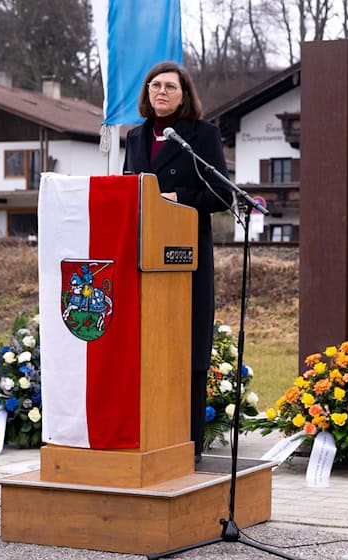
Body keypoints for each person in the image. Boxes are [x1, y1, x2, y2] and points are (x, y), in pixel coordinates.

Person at [123, 61, 233, 464]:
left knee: (187, 352)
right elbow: (127, 192)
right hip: (143, 261)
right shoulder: (135, 137)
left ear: (184, 94)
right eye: (155, 85)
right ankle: (148, 438)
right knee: (145, 351)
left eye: (170, 86)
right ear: (147, 93)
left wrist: (175, 198)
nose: (161, 92)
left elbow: (222, 196)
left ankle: (187, 445)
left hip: (186, 261)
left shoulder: (201, 136)